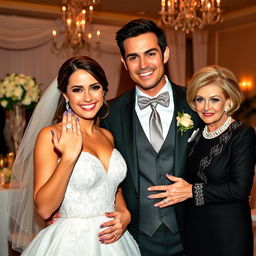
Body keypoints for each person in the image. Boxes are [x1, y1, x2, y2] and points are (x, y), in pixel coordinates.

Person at [9, 56, 141, 255]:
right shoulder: (51, 135)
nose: (88, 97)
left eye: (94, 87)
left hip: (114, 241)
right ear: (65, 95)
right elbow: (44, 208)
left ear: (104, 91)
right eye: (77, 90)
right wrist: (69, 158)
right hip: (71, 242)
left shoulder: (107, 135)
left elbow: (112, 186)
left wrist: (124, 212)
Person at [100, 19, 201, 256]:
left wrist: (196, 189)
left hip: (193, 232)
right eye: (133, 57)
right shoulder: (109, 114)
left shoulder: (197, 103)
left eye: (150, 53)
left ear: (165, 54)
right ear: (124, 63)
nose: (143, 64)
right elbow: (99, 171)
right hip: (135, 237)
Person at [148, 65, 256, 256]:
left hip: (228, 234)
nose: (206, 107)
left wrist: (191, 190)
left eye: (214, 99)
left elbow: (240, 189)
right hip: (196, 230)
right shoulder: (196, 133)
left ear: (228, 102)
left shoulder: (242, 134)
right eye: (200, 99)